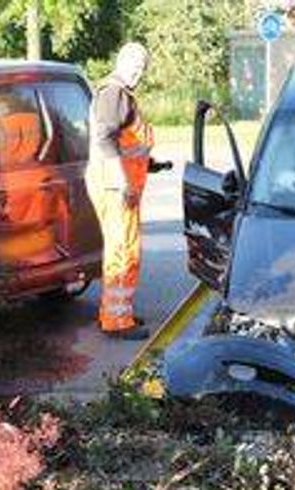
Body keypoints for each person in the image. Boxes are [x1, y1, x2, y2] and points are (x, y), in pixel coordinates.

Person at [87, 42, 170, 340]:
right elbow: (105, 139)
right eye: (134, 67)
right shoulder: (114, 93)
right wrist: (122, 181)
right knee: (123, 252)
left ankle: (113, 313)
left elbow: (126, 144)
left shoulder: (119, 94)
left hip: (118, 183)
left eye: (142, 68)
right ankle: (117, 321)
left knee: (121, 249)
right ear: (121, 62)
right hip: (116, 187)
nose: (138, 73)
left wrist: (151, 164)